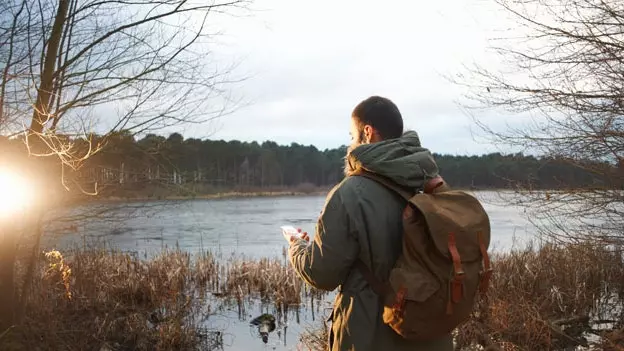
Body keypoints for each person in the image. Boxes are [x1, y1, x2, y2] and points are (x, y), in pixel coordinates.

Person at [287, 96, 453, 351]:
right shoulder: (429, 182)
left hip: (372, 336)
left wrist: (296, 247)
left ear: (367, 132)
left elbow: (320, 273)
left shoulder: (350, 193)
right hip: (430, 335)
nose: (351, 142)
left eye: (352, 134)